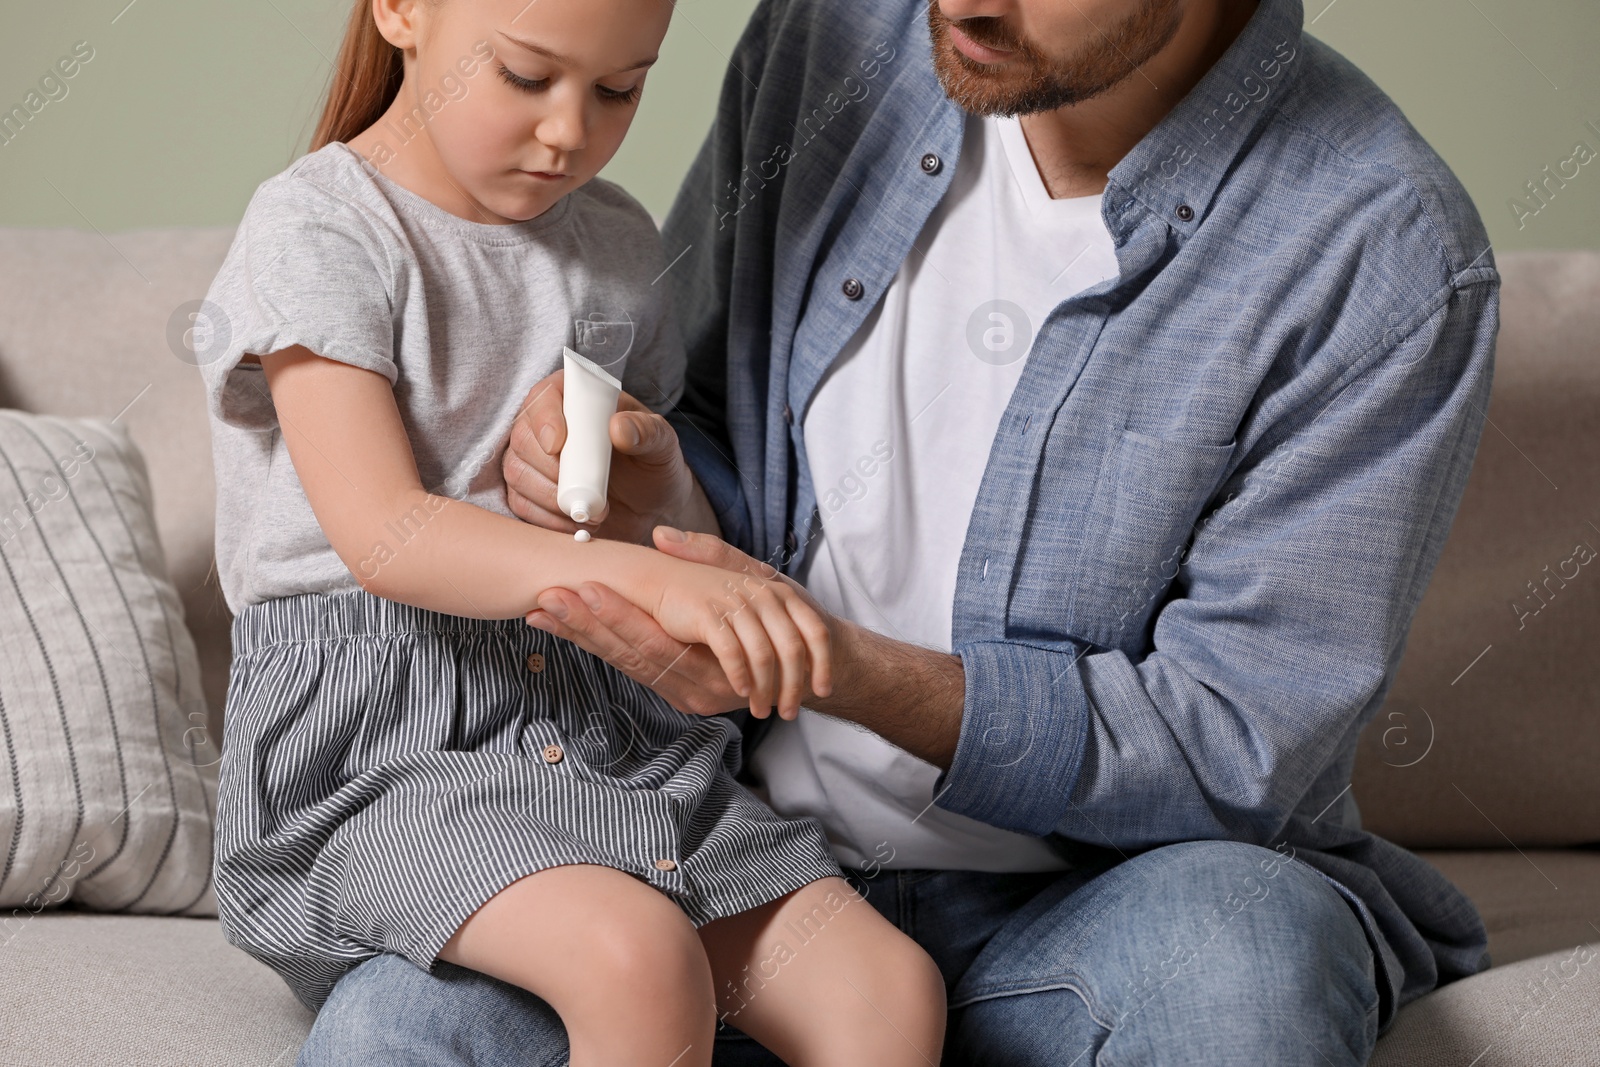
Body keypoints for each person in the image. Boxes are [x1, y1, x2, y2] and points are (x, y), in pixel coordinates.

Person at [298, 0, 1499, 1063]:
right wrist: (652, 489)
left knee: (1239, 966)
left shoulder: (1382, 250)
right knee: (405, 1028)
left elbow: (1229, 745)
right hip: (734, 848)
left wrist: (841, 668)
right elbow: (719, 416)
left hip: (1114, 899)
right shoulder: (832, 34)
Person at [197, 0, 950, 1063]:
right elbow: (385, 534)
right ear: (403, 12)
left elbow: (631, 526)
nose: (568, 132)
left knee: (886, 990)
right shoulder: (321, 224)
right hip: (392, 748)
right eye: (524, 76)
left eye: (617, 89)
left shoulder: (615, 244)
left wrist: (647, 487)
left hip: (607, 729)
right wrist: (657, 590)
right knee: (631, 953)